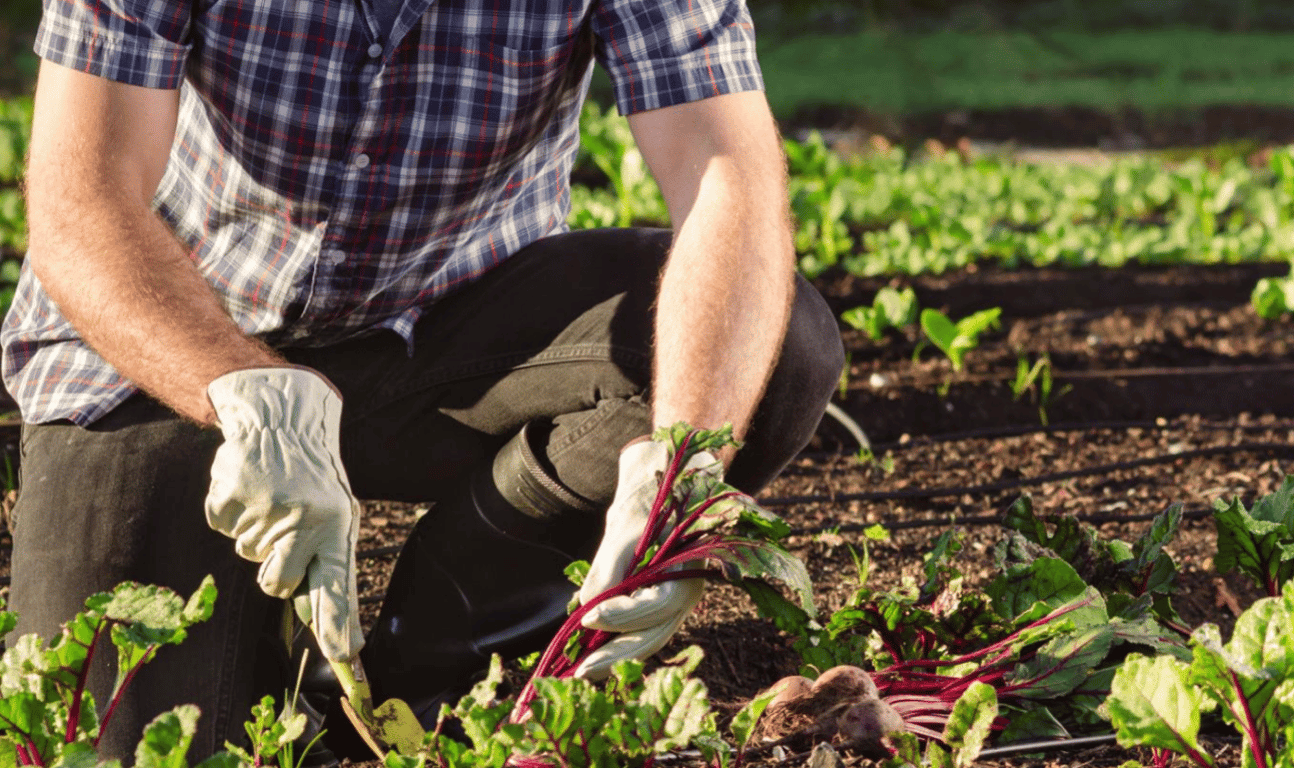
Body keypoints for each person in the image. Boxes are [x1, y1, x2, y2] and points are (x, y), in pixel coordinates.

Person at [3, 0, 843, 761]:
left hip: (445, 329)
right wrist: (243, 387)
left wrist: (683, 456)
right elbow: (84, 199)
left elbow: (722, 167)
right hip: (172, 353)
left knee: (773, 357)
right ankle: (263, 640)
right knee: (126, 741)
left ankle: (431, 660)